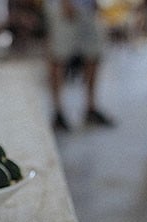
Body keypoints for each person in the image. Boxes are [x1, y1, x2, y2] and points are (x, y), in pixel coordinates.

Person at [44, 0, 114, 131]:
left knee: (93, 56)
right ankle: (58, 112)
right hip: (63, 7)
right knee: (59, 57)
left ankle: (90, 108)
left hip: (87, 7)